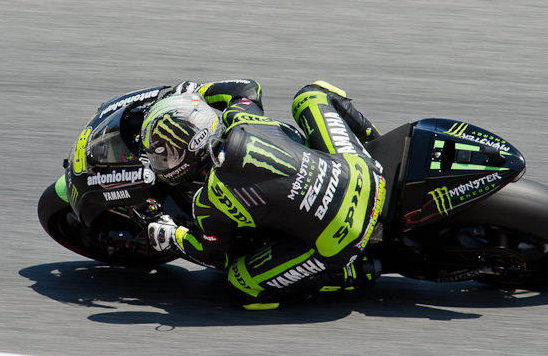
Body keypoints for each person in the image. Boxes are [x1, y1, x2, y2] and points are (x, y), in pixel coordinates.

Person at [142, 79, 385, 310]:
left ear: (190, 151)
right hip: (364, 171)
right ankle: (378, 145)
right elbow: (247, 87)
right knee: (311, 94)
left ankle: (342, 274)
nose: (160, 162)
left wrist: (172, 235)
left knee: (244, 285)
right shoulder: (239, 117)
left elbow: (216, 257)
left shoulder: (210, 200)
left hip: (347, 233)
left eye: (166, 155)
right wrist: (198, 92)